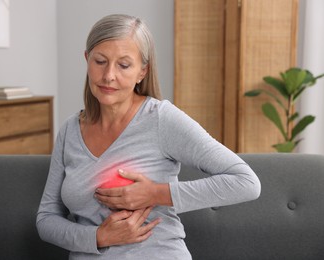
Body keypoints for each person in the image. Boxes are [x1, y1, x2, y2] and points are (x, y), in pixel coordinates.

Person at [36, 14, 261, 259]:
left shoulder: (161, 119)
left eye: (123, 65)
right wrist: (99, 237)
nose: (109, 75)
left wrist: (156, 193)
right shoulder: (70, 130)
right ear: (87, 59)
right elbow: (46, 219)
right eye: (100, 61)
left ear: (142, 71)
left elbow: (246, 183)